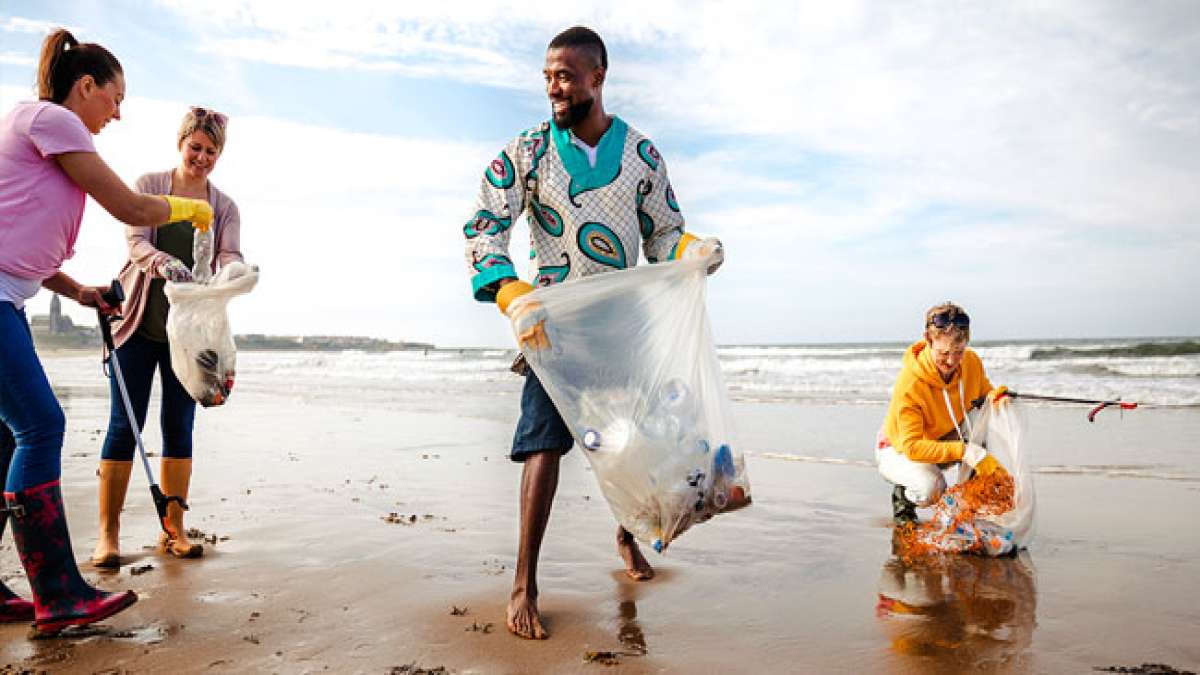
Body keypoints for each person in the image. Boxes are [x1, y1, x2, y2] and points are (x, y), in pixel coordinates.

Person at [462, 26, 724, 640]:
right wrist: (509, 290)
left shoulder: (641, 155)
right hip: (550, 329)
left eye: (566, 75)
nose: (553, 87)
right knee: (541, 446)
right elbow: (484, 225)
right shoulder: (526, 152)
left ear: (597, 78)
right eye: (548, 75)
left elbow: (662, 234)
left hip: (621, 330)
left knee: (629, 443)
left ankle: (626, 537)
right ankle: (523, 580)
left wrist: (695, 249)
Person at [0, 28, 212, 635]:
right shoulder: (54, 120)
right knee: (41, 425)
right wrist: (189, 208)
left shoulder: (36, 125)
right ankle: (59, 594)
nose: (117, 113)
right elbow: (128, 206)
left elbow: (19, 247)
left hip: (8, 294)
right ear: (85, 86)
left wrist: (78, 291)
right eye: (114, 97)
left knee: (8, 435)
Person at [90, 106, 242, 568]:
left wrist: (235, 272)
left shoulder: (224, 206)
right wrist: (163, 264)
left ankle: (173, 530)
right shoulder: (150, 186)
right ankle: (108, 535)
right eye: (195, 147)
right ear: (181, 144)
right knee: (124, 425)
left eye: (211, 151)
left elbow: (229, 253)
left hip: (187, 338)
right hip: (137, 324)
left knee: (179, 427)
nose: (201, 157)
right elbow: (136, 242)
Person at [876, 302, 1010, 526]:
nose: (951, 361)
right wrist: (967, 451)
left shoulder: (971, 362)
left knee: (990, 414)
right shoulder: (910, 384)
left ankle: (968, 501)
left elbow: (984, 394)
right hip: (900, 449)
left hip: (946, 436)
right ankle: (903, 499)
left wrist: (997, 396)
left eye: (958, 352)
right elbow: (913, 446)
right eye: (943, 353)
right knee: (931, 489)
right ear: (928, 340)